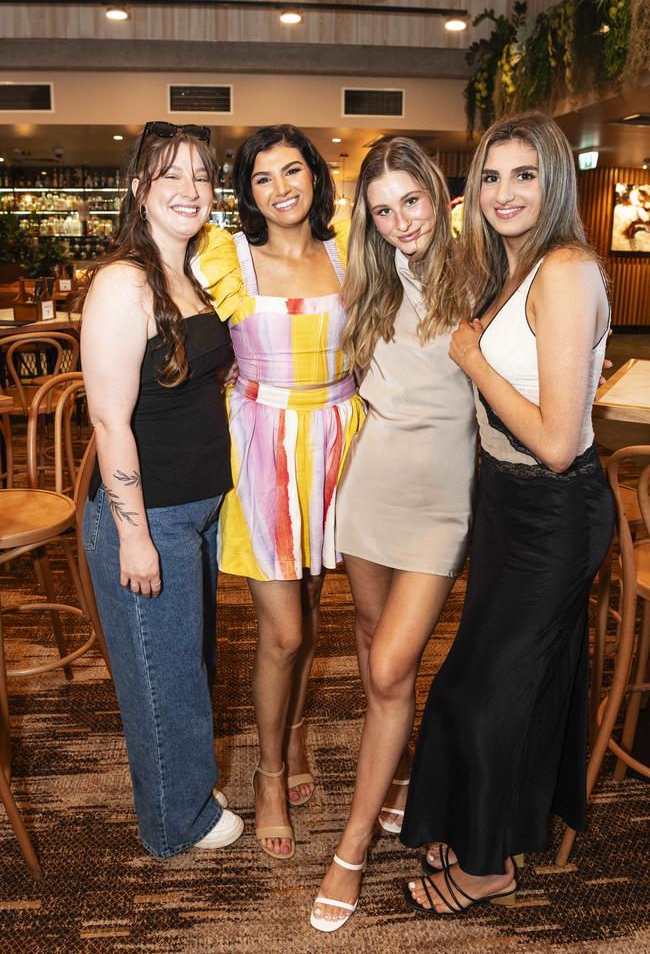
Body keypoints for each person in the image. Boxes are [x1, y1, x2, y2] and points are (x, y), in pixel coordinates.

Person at [401, 111, 614, 915]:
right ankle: (483, 821)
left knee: (485, 687)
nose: (504, 192)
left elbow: (559, 441)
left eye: (524, 175)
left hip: (553, 511)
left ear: (554, 180)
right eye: (491, 176)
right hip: (504, 500)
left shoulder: (564, 269)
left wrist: (471, 359)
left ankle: (489, 864)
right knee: (501, 682)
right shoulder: (511, 267)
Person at [310, 137, 477, 932]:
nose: (400, 220)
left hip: (444, 503)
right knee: (372, 641)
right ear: (368, 222)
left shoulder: (479, 273)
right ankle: (400, 772)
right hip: (370, 489)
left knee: (389, 666)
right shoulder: (369, 285)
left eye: (411, 201)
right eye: (383, 210)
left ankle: (350, 850)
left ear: (437, 197)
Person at [193, 125, 365, 859]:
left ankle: (294, 734)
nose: (281, 187)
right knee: (284, 629)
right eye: (262, 178)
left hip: (343, 437)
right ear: (248, 192)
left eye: (292, 170)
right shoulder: (225, 257)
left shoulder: (353, 248)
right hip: (262, 443)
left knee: (317, 599)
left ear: (315, 178)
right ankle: (267, 775)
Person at [80, 122, 244, 858]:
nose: (189, 190)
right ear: (140, 188)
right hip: (150, 518)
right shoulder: (124, 281)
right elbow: (110, 420)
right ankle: (173, 825)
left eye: (202, 176)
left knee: (188, 665)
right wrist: (135, 533)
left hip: (195, 512)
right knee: (162, 680)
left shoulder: (189, 272)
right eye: (169, 175)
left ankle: (185, 784)